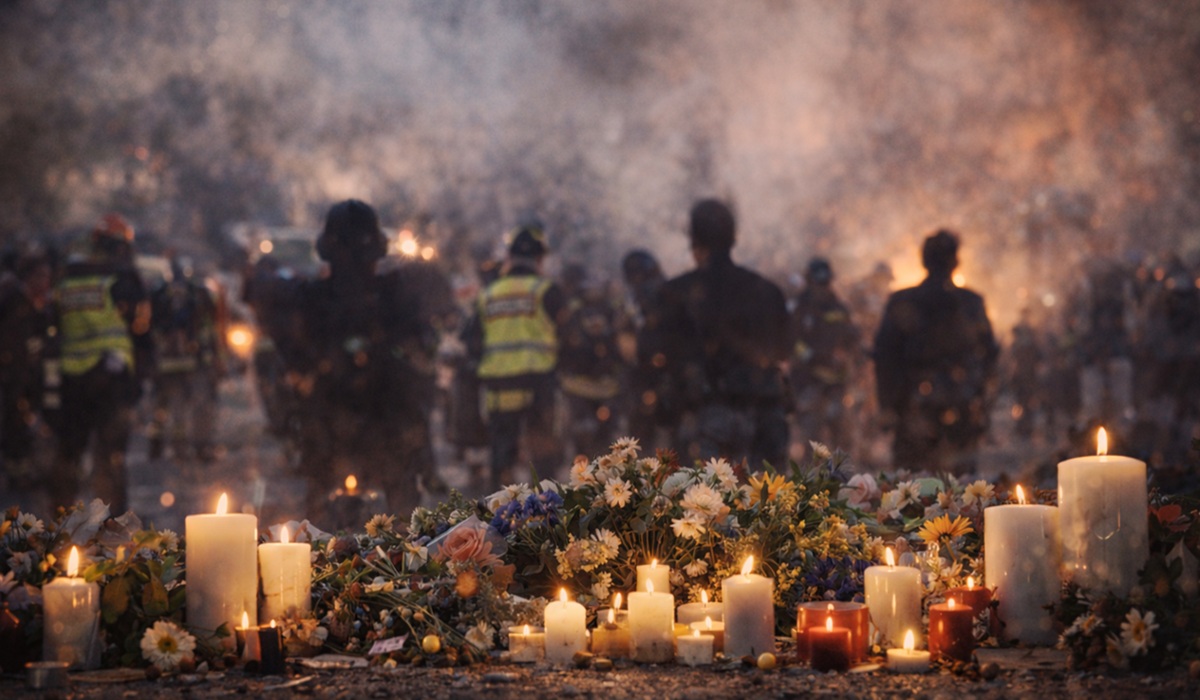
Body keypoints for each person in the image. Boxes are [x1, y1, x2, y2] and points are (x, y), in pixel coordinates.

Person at [260, 200, 435, 522]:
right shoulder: (396, 295)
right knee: (405, 527)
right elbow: (423, 350)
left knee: (321, 529)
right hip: (379, 424)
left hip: (335, 428)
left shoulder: (309, 298)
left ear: (326, 249)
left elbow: (287, 353)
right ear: (379, 249)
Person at [651, 198, 791, 468]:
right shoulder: (767, 292)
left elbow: (656, 358)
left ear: (694, 241)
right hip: (764, 417)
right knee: (768, 505)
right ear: (733, 238)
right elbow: (783, 350)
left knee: (701, 505)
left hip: (703, 420)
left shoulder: (674, 294)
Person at [873, 229, 998, 474]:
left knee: (911, 487)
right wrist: (981, 400)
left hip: (914, 406)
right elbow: (989, 354)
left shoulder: (902, 301)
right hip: (961, 403)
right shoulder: (971, 302)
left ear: (923, 261)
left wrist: (888, 405)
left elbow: (885, 357)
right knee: (961, 489)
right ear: (956, 261)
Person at [50, 214, 151, 512]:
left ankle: (57, 520)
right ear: (121, 245)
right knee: (111, 454)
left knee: (69, 451)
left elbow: (53, 321)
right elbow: (141, 327)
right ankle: (114, 524)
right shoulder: (122, 276)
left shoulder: (67, 276)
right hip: (113, 376)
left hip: (71, 378)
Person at [462, 223, 566, 490]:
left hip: (499, 388)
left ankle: (498, 520)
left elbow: (471, 342)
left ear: (508, 258)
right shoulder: (547, 291)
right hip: (538, 386)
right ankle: (548, 519)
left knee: (502, 460)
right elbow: (569, 336)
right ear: (540, 259)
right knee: (543, 460)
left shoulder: (487, 295)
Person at [147, 256, 223, 462]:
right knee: (200, 404)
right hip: (196, 360)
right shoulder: (202, 293)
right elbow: (214, 328)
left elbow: (149, 328)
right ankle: (199, 447)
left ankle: (162, 444)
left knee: (168, 403)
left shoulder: (158, 293)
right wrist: (217, 359)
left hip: (167, 361)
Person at [790, 257, 860, 452]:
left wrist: (849, 352)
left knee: (842, 436)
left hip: (837, 382)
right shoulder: (799, 308)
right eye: (818, 284)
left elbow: (851, 336)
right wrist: (813, 357)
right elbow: (792, 342)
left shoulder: (839, 307)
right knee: (812, 439)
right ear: (809, 282)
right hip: (808, 380)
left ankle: (843, 479)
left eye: (825, 283)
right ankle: (809, 480)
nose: (822, 288)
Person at [0, 248, 53, 490]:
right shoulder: (14, 302)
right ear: (28, 278)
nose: (46, 282)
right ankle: (16, 474)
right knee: (14, 425)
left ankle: (22, 470)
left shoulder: (36, 305)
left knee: (22, 425)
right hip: (12, 377)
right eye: (41, 276)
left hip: (25, 376)